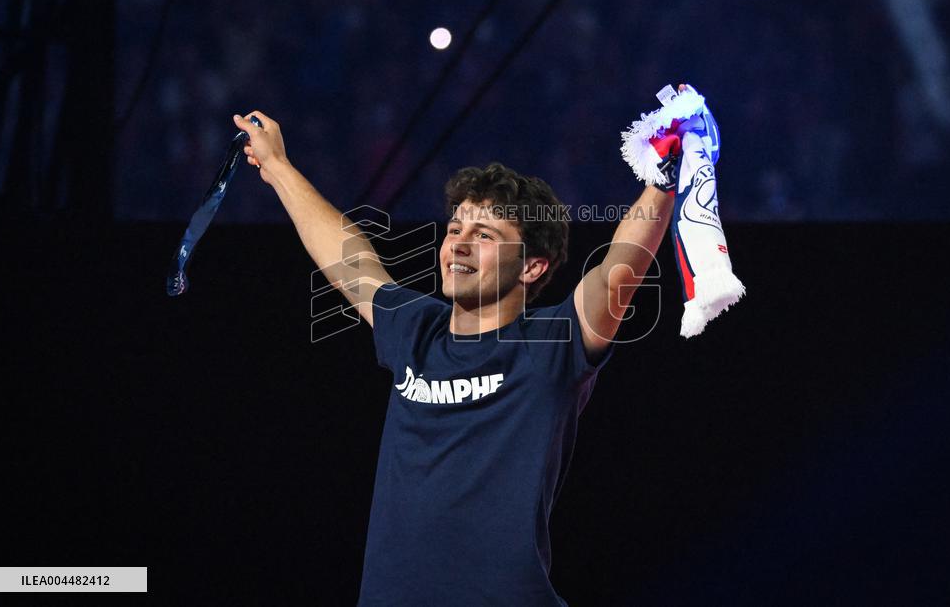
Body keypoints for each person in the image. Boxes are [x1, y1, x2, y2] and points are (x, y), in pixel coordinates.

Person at [233, 106, 676, 605]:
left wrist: (662, 180)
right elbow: (348, 255)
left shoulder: (552, 343)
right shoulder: (415, 329)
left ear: (532, 267)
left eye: (484, 235)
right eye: (454, 229)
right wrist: (276, 167)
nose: (458, 246)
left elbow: (619, 267)